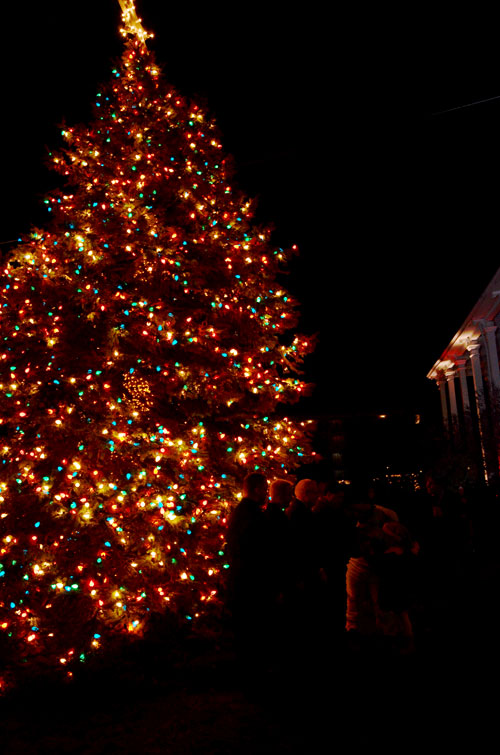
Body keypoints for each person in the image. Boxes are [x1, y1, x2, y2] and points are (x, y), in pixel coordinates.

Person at [225, 472, 270, 678]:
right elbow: (256, 549)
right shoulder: (252, 515)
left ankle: (249, 671)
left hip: (243, 580)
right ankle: (252, 674)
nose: (267, 494)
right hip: (249, 582)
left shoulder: (244, 512)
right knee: (251, 631)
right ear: (257, 489)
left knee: (247, 631)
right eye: (265, 489)